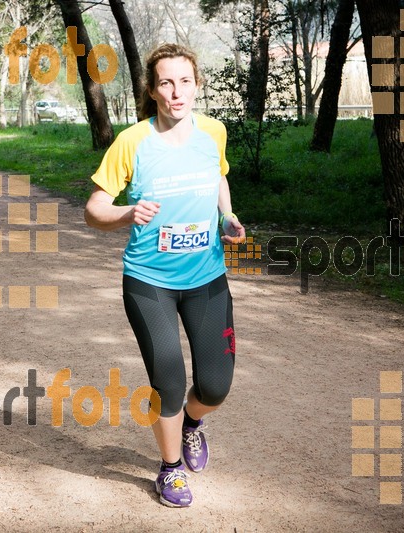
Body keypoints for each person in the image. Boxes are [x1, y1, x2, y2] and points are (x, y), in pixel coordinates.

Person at [84, 43, 245, 508]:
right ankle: (170, 469)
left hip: (207, 277)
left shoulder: (213, 132)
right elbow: (93, 210)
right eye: (166, 83)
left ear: (197, 85)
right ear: (152, 90)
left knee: (215, 386)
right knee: (169, 380)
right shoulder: (132, 142)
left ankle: (192, 423)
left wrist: (227, 216)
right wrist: (127, 212)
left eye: (185, 81)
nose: (177, 92)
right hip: (149, 281)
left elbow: (218, 176)